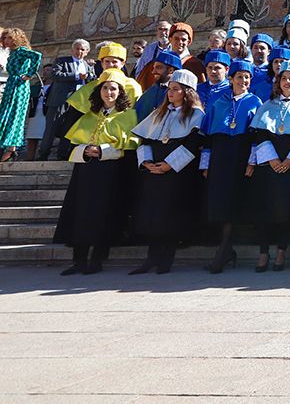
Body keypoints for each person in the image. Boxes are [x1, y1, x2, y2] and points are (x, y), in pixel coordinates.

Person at [53, 69, 139, 275]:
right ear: (99, 91)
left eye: (113, 89)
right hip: (85, 171)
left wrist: (102, 151)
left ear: (120, 92)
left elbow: (129, 147)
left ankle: (97, 258)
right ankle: (79, 260)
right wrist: (85, 150)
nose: (109, 92)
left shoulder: (129, 116)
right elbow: (71, 145)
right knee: (80, 213)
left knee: (104, 213)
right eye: (105, 88)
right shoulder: (89, 116)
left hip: (110, 173)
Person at [129, 69, 205, 275]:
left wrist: (170, 164)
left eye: (175, 89)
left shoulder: (196, 115)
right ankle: (151, 258)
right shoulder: (159, 112)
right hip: (154, 169)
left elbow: (193, 142)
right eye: (169, 89)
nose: (170, 93)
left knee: (171, 215)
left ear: (186, 92)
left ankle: (166, 258)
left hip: (176, 172)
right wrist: (146, 161)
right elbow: (145, 139)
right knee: (152, 213)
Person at [245, 58, 290, 273]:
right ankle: (264, 252)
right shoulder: (267, 105)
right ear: (278, 81)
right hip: (268, 165)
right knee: (265, 208)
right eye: (284, 78)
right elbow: (260, 134)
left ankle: (282, 251)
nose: (287, 82)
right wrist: (272, 159)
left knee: (286, 209)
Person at [200, 58, 261, 273]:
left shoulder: (255, 102)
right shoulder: (219, 102)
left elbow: (256, 137)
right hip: (220, 157)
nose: (243, 81)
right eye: (239, 77)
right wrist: (205, 164)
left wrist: (251, 161)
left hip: (241, 158)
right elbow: (208, 138)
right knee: (219, 203)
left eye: (247, 77)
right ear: (231, 78)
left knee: (233, 203)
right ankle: (226, 249)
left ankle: (223, 252)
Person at [36, 39, 94, 161]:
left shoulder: (88, 66)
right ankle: (43, 154)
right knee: (51, 128)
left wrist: (90, 77)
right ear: (72, 50)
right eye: (77, 49)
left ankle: (63, 155)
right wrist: (77, 76)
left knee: (69, 129)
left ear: (87, 52)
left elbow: (92, 81)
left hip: (78, 103)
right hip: (60, 101)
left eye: (82, 49)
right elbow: (55, 75)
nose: (79, 51)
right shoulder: (62, 61)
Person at [0, 29, 40, 161]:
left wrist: (29, 74)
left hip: (19, 86)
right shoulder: (13, 52)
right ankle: (10, 148)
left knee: (14, 114)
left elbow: (37, 56)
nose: (6, 41)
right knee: (7, 113)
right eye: (5, 38)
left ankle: (11, 148)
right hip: (11, 84)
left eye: (9, 38)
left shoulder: (21, 50)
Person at [135, 50, 183, 121]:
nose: (153, 72)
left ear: (171, 70)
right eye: (153, 68)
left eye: (158, 67)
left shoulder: (181, 93)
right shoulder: (151, 90)